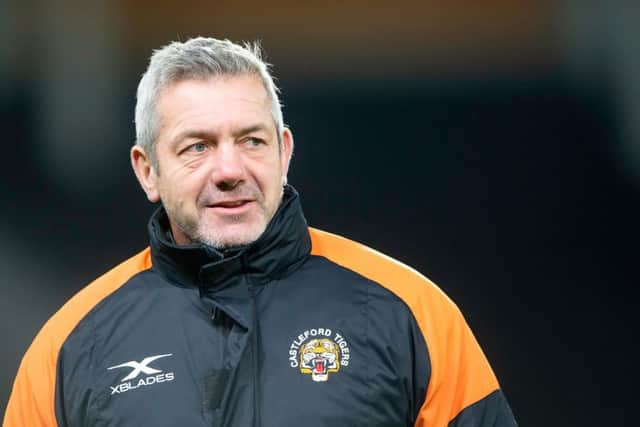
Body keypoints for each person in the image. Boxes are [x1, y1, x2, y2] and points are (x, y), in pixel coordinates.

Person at [3, 37, 517, 427]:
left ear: (284, 152)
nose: (230, 169)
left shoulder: (412, 313)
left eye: (250, 140)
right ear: (147, 171)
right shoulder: (70, 347)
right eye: (197, 147)